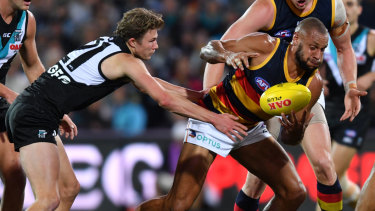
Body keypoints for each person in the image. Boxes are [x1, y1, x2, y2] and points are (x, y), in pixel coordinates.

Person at [5, 8, 247, 210]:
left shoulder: (112, 46)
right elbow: (164, 100)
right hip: (34, 115)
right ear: (133, 42)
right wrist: (215, 119)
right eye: (152, 40)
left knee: (69, 189)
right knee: (49, 199)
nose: (156, 46)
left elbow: (153, 84)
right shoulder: (125, 60)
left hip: (42, 112)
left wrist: (200, 96)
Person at [136, 17, 328, 211]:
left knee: (294, 193)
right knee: (177, 205)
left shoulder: (313, 83)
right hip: (214, 116)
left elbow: (290, 139)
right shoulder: (266, 46)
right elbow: (208, 49)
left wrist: (296, 130)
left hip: (248, 129)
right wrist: (227, 55)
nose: (318, 56)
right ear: (296, 39)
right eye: (313, 47)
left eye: (323, 49)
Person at [202, 0, 367, 210]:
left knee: (325, 165)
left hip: (303, 90)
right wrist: (210, 101)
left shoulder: (333, 8)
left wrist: (350, 86)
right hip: (262, 93)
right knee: (255, 183)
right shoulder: (267, 8)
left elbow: (344, 48)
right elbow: (220, 48)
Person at [0, 0, 79, 210]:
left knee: (18, 174)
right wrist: (9, 95)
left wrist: (53, 105)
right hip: (5, 97)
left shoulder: (27, 20)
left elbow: (33, 64)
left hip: (3, 100)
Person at [323, 0, 375, 207]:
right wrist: (316, 79)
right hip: (327, 109)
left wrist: (371, 77)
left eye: (352, 4)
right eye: (344, 3)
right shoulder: (324, 36)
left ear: (359, 10)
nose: (348, 8)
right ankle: (356, 201)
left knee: (329, 177)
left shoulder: (370, 38)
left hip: (355, 112)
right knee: (337, 177)